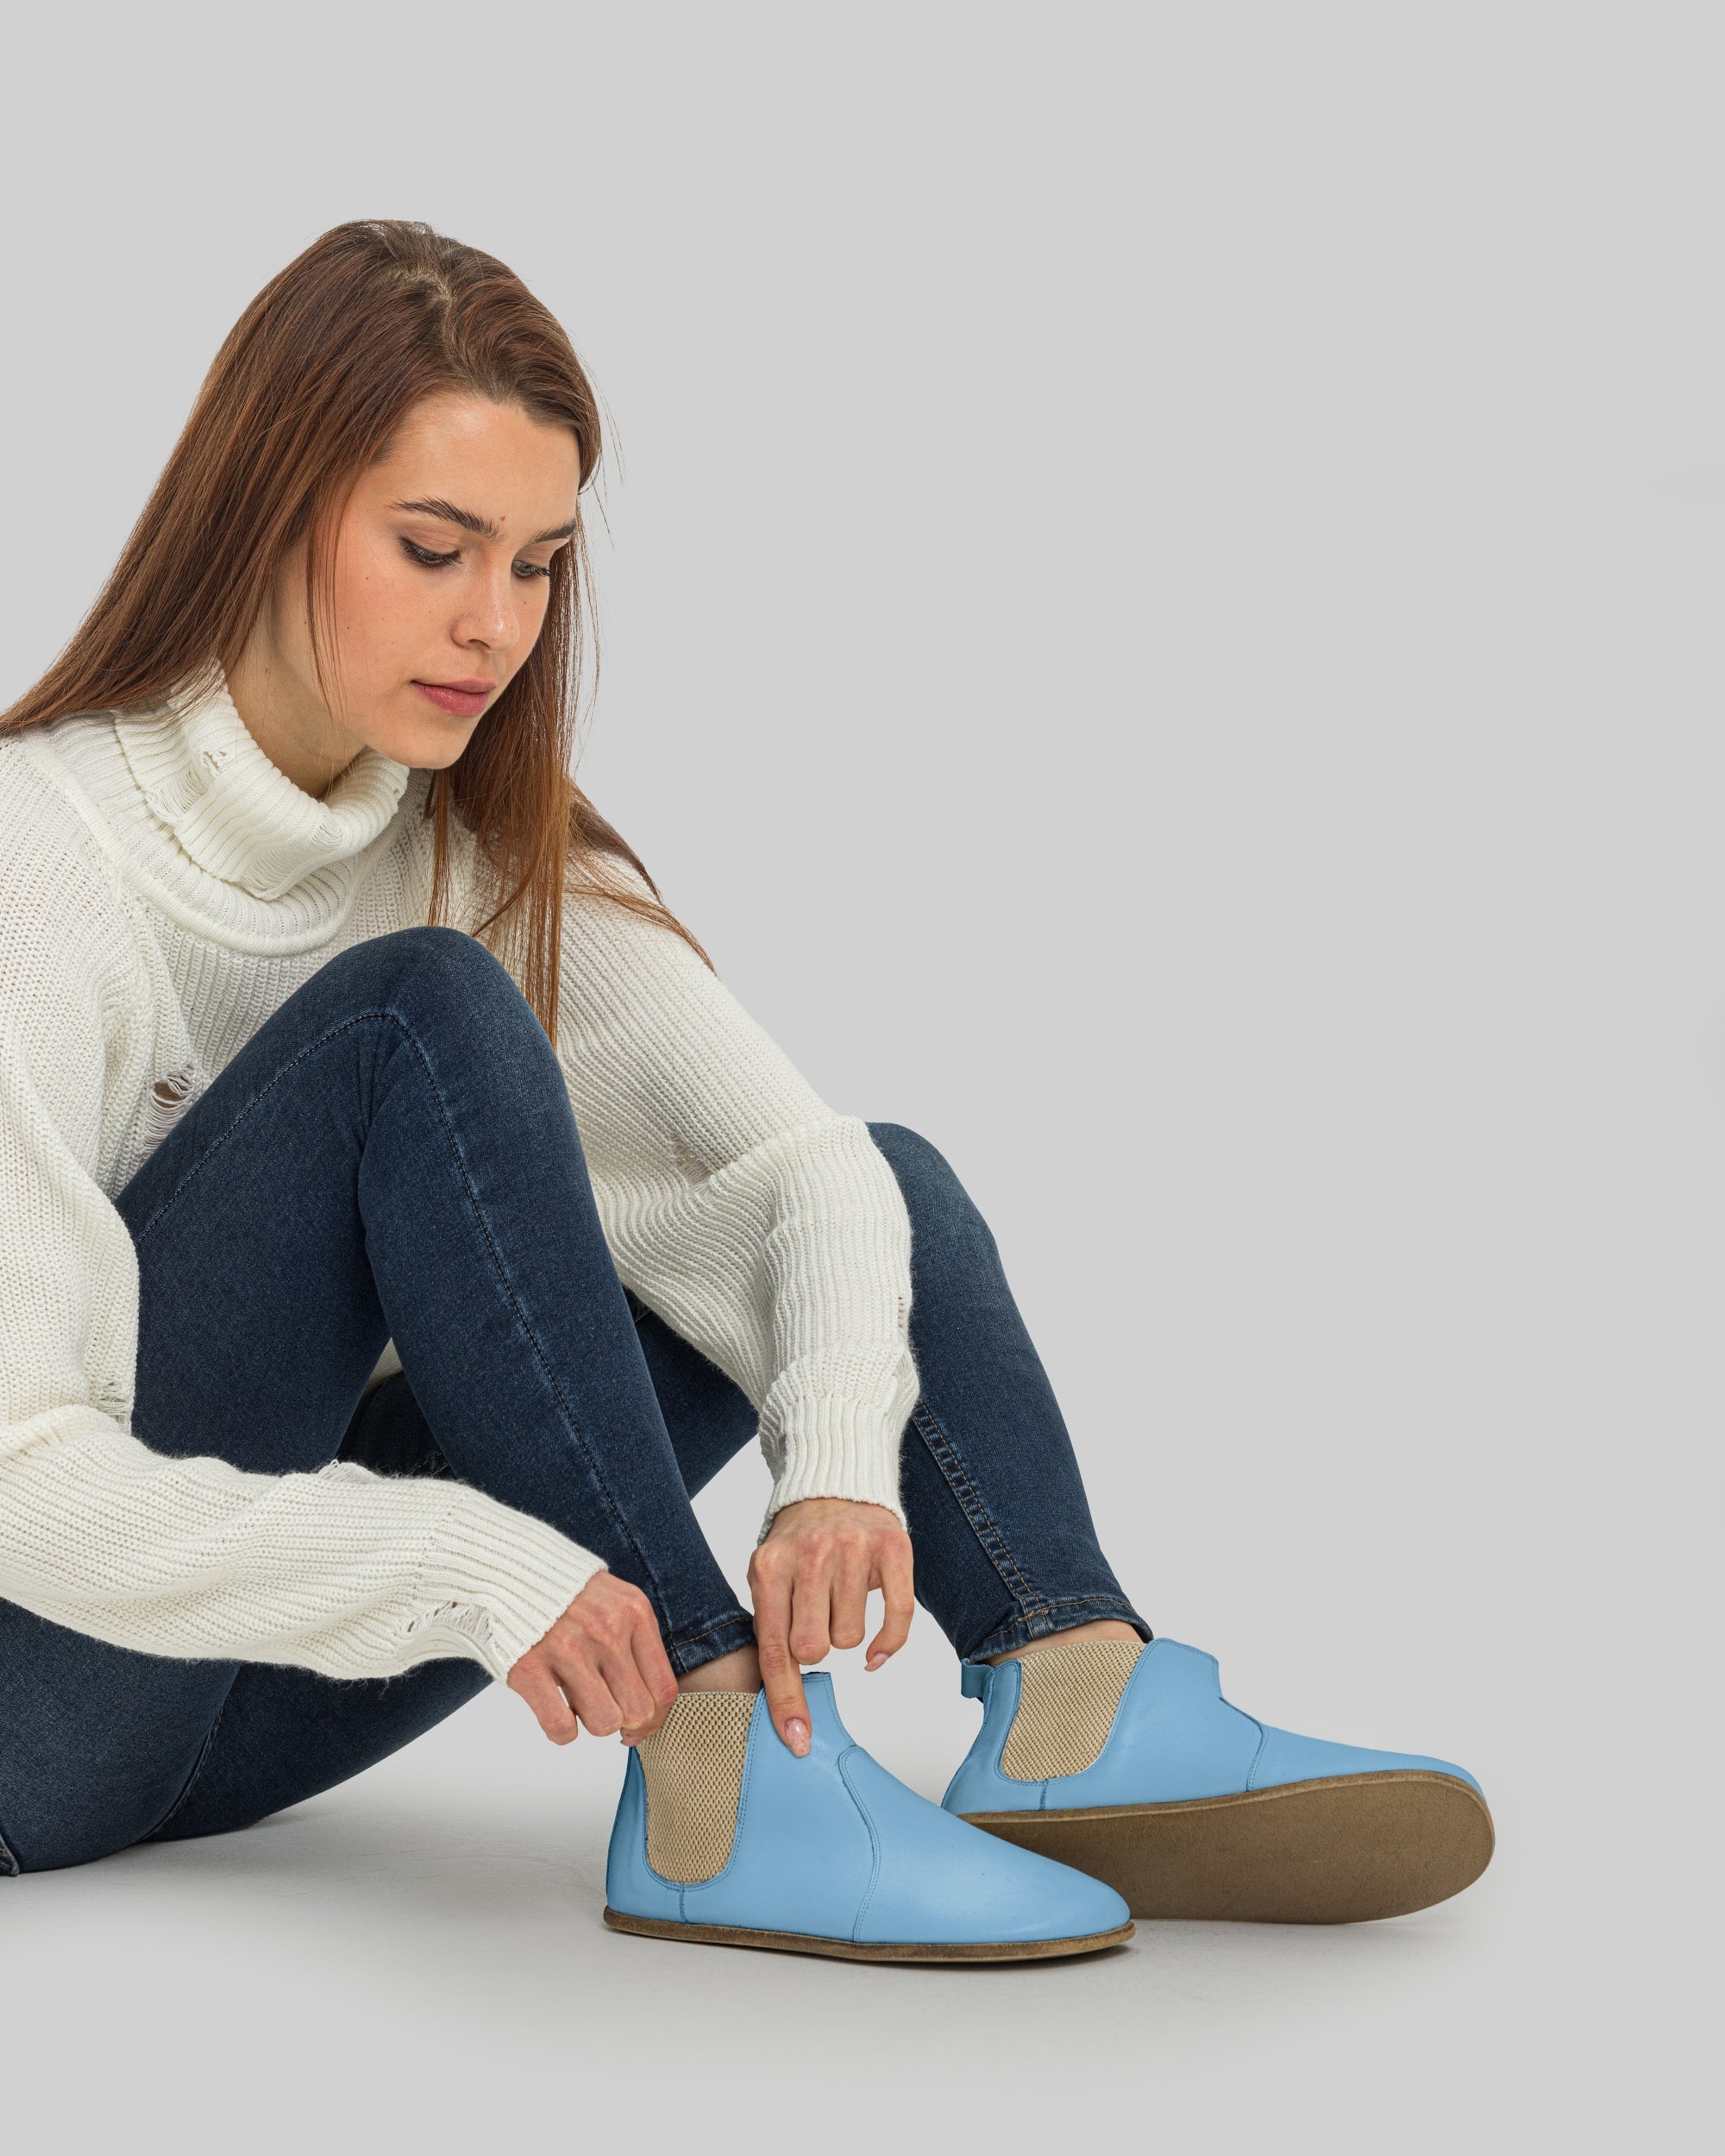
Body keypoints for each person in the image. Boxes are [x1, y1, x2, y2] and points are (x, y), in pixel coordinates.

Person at [0, 221, 1492, 1959]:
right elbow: (21, 1472)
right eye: (433, 548)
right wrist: (470, 1568)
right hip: (41, 1711)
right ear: (265, 511)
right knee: (417, 1015)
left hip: (250, 1714)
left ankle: (1075, 1693)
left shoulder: (468, 841)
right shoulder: (44, 858)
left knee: (872, 1185)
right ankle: (720, 1758)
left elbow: (813, 1167)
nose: (493, 625)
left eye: (539, 565)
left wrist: (836, 1463)